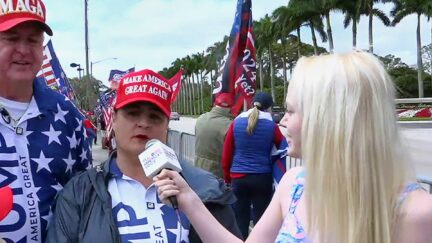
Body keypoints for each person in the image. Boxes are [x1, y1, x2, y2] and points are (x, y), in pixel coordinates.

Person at [155, 51, 432, 243]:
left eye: (290, 110)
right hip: (262, 180)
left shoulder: (416, 212)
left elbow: (229, 153)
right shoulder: (294, 184)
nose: (283, 120)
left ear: (328, 119)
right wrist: (189, 199)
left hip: (241, 180)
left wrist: (227, 176)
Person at [46, 69, 241, 242]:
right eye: (133, 113)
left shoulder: (206, 188)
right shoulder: (79, 192)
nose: (143, 123)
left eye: (155, 117)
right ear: (113, 119)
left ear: (167, 125)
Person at [0, 1, 91, 242]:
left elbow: (86, 196)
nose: (23, 49)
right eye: (11, 37)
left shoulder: (67, 114)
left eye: (32, 40)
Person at [221, 91, 284, 238]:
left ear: (252, 104)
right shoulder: (272, 126)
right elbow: (281, 147)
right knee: (261, 221)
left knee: (240, 220)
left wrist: (227, 177)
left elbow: (226, 154)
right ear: (269, 108)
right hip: (262, 178)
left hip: (238, 178)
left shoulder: (236, 122)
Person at [194, 93, 233, 178]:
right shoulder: (229, 125)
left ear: (215, 104)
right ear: (229, 108)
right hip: (216, 172)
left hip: (198, 167)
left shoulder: (201, 118)